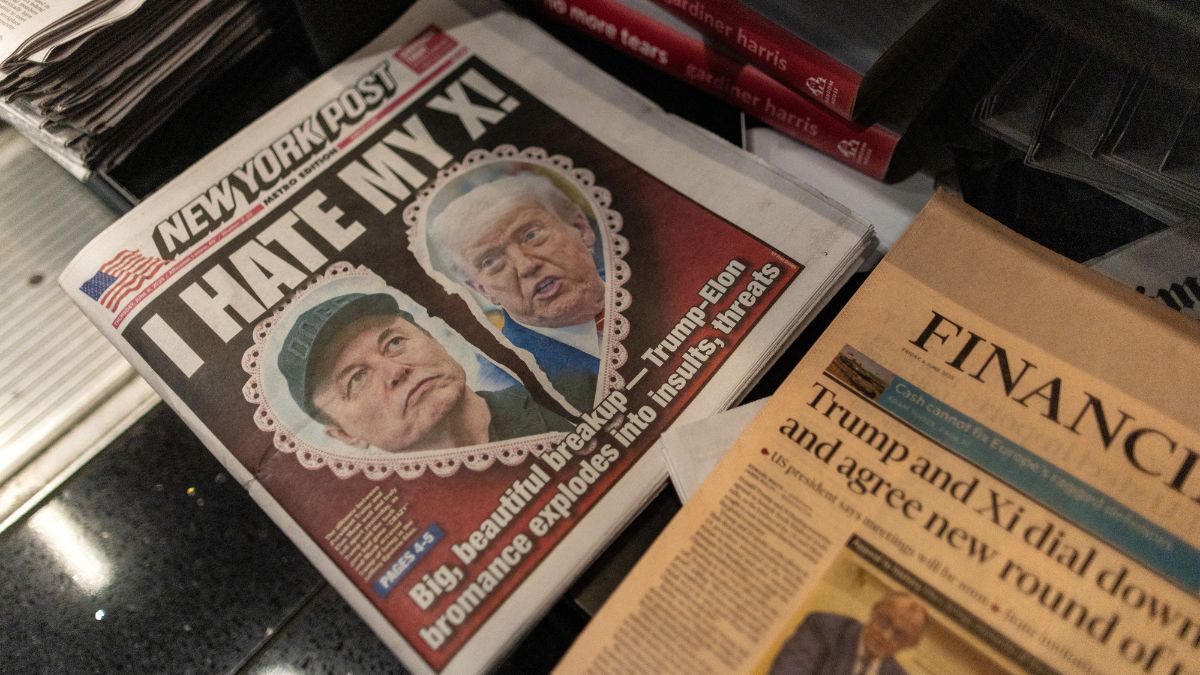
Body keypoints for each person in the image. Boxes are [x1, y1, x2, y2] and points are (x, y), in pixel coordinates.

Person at [277, 292, 573, 454]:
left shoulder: (572, 397)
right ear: (344, 435)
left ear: (433, 340)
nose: (396, 371)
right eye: (356, 379)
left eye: (394, 343)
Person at [427, 172, 604, 413]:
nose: (526, 266)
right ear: (481, 289)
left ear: (581, 228)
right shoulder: (505, 385)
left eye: (531, 235)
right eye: (491, 262)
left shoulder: (636, 267)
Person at [768, 592, 928, 675]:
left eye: (899, 634)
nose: (886, 635)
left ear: (910, 644)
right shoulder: (824, 629)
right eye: (884, 621)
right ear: (874, 611)